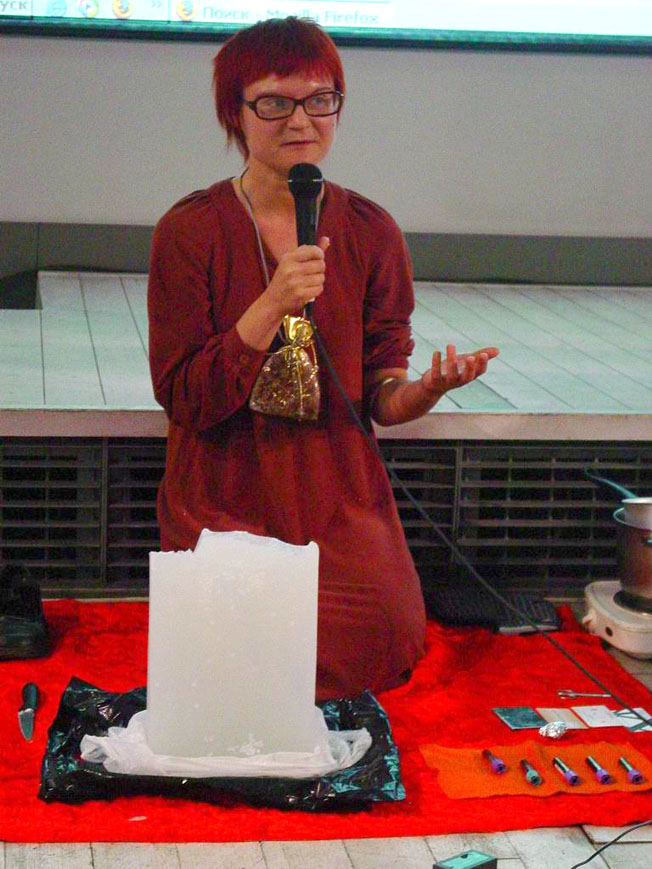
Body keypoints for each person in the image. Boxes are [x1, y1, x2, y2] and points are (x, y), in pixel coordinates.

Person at [147, 16, 498, 701]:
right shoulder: (190, 229)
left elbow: (383, 394)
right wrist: (272, 302)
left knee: (382, 639)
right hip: (226, 485)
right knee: (243, 668)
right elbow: (184, 395)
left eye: (319, 99)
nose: (301, 119)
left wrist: (426, 389)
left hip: (334, 486)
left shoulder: (370, 228)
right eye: (275, 102)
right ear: (236, 114)